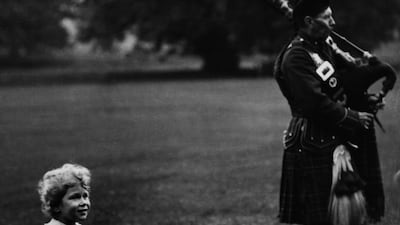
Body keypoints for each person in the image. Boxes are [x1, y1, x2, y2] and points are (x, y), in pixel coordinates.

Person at [273, 0, 378, 224]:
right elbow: (314, 102)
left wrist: (365, 102)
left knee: (346, 216)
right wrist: (353, 117)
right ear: (309, 21)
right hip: (311, 140)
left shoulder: (322, 47)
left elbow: (338, 85)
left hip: (334, 133)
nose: (333, 21)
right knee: (317, 216)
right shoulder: (296, 56)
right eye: (327, 17)